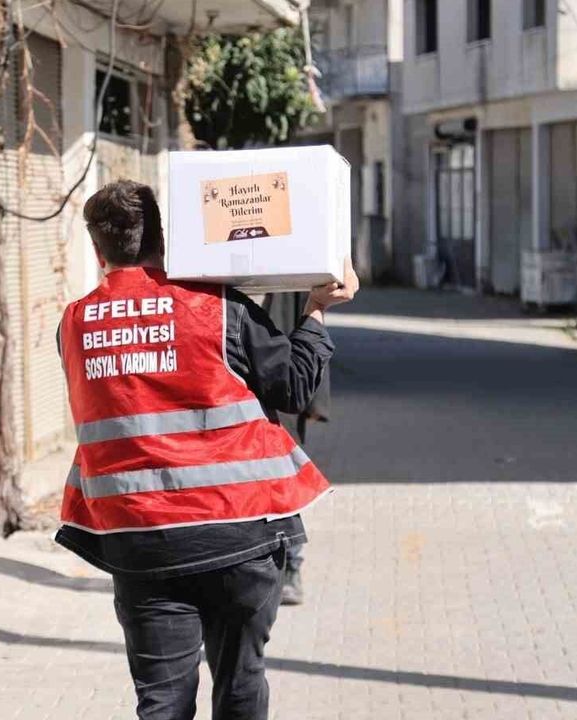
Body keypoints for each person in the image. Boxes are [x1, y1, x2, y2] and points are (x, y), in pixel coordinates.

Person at [54, 179, 358, 720]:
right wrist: (315, 311)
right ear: (164, 241)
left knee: (162, 701)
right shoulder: (217, 307)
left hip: (140, 540)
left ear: (98, 252)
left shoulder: (74, 324)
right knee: (240, 684)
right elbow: (293, 387)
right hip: (239, 532)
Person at [261, 291, 333, 606]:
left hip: (282, 398)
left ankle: (291, 567)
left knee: (285, 486)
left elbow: (311, 330)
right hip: (238, 400)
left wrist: (316, 401)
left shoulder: (288, 280)